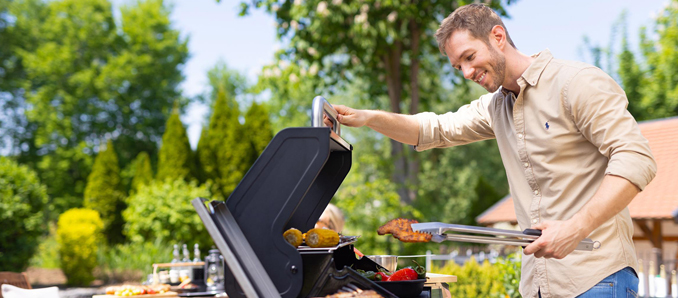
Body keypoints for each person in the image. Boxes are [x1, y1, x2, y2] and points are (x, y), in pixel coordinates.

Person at [330, 4, 657, 298]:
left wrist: (575, 228)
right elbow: (432, 129)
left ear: (498, 36)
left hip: (596, 278)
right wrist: (368, 118)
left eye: (469, 57)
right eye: (458, 67)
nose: (468, 73)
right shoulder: (497, 107)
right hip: (539, 285)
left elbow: (636, 158)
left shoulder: (576, 83)